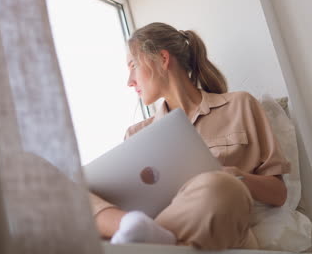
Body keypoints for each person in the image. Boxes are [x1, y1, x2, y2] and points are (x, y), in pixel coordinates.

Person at [89, 22, 290, 250]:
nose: (129, 81)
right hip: (155, 228)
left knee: (222, 186)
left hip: (225, 229)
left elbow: (279, 193)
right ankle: (143, 234)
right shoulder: (136, 135)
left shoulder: (240, 105)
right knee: (72, 192)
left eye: (133, 65)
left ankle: (151, 243)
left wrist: (236, 175)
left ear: (163, 59)